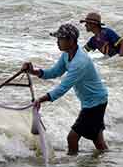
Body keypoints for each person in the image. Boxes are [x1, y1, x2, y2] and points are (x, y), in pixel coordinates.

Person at [22, 24, 109, 155]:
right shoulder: (66, 55)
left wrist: (41, 99)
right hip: (91, 101)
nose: (57, 42)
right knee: (97, 140)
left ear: (71, 41)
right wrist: (33, 71)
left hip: (95, 103)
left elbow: (63, 88)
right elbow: (54, 72)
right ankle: (105, 163)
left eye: (60, 39)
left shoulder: (80, 62)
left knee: (72, 138)